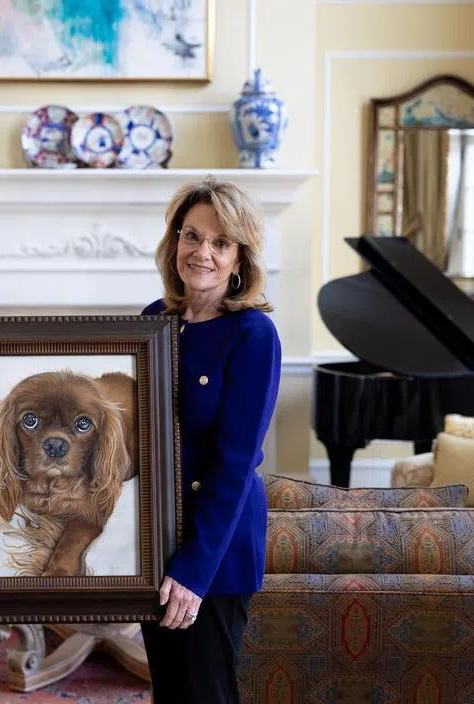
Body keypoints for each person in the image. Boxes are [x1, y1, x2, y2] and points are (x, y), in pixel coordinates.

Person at [139, 176, 282, 703]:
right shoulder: (153, 321)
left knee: (205, 694)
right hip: (156, 541)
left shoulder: (253, 335)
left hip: (214, 553)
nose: (203, 253)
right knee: (170, 692)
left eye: (221, 243)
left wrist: (195, 571)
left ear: (240, 257)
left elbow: (234, 465)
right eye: (193, 236)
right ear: (174, 240)